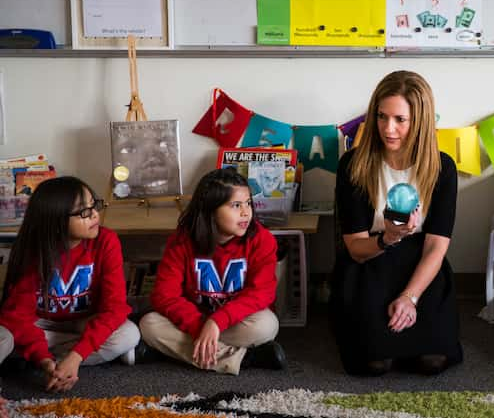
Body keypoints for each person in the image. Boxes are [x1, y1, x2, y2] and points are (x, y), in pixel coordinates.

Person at [330, 70, 461, 376]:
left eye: (400, 120)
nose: (388, 129)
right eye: (381, 116)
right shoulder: (354, 165)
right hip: (369, 261)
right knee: (373, 364)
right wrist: (387, 238)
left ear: (420, 121)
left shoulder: (443, 168)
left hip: (420, 265)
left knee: (433, 362)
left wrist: (409, 297)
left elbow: (436, 246)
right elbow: (355, 248)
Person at [138, 168, 285, 375]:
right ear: (211, 210)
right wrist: (201, 327)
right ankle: (243, 358)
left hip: (236, 321)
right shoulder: (182, 241)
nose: (246, 212)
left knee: (266, 325)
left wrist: (216, 322)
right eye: (236, 205)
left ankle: (174, 350)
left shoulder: (261, 239)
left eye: (248, 203)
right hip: (195, 317)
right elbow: (165, 295)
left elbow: (261, 293)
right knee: (149, 324)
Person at [0, 177, 139, 392]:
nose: (94, 214)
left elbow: (115, 308)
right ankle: (48, 362)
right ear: (54, 220)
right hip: (40, 324)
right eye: (83, 211)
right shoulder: (31, 248)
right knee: (6, 336)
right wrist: (43, 357)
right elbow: (18, 316)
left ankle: (51, 363)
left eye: (94, 204)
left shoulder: (106, 241)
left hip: (82, 323)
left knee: (128, 334)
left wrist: (76, 356)